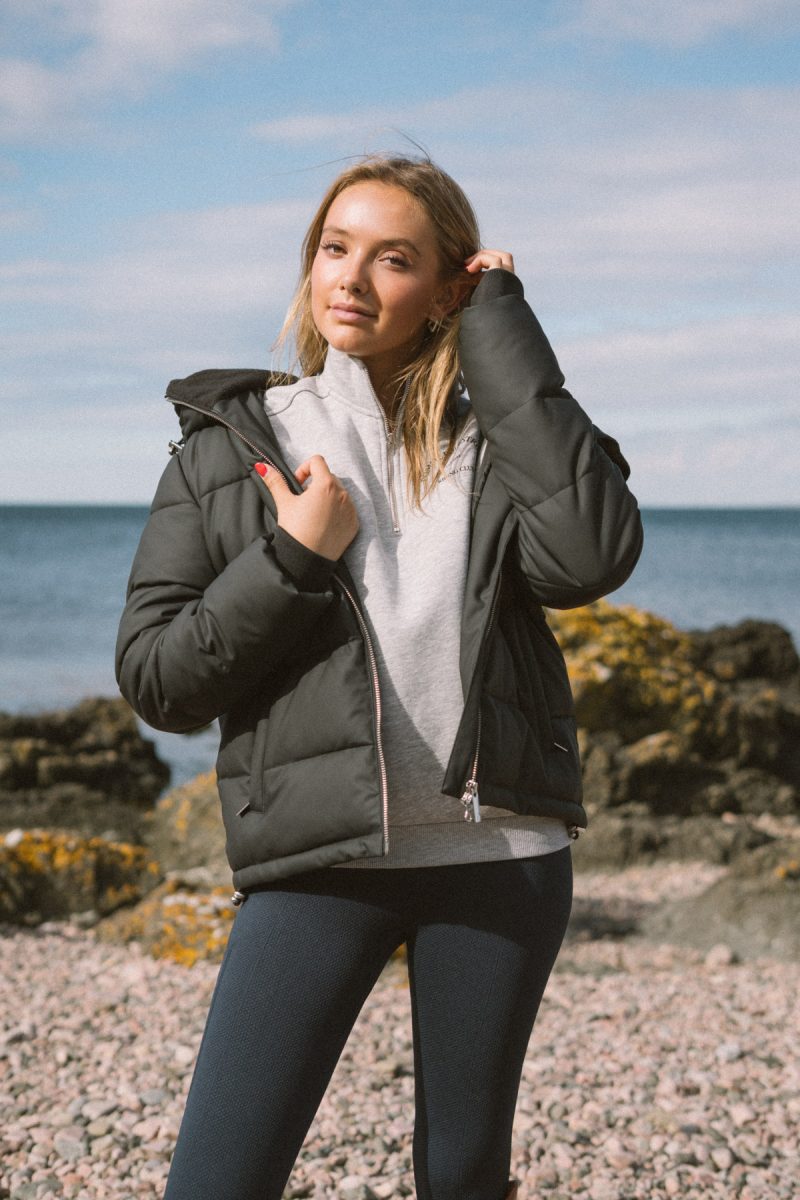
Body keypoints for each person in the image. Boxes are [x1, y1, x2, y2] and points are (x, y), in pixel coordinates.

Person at [116, 154, 643, 1200]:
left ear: (446, 289)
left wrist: (502, 326)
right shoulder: (231, 447)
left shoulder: (500, 444)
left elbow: (588, 556)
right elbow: (159, 680)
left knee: (462, 1174)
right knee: (217, 1179)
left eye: (393, 259)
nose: (350, 278)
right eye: (334, 248)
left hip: (501, 858)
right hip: (319, 862)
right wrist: (290, 558)